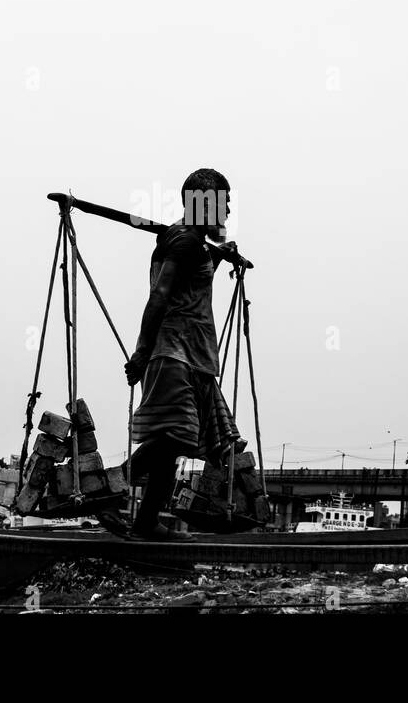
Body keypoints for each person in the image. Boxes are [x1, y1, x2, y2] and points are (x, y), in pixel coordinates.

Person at [104, 168, 243, 542]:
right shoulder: (183, 242)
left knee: (173, 444)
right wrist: (142, 351)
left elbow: (190, 278)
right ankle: (109, 487)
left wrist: (217, 256)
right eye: (224, 204)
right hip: (173, 353)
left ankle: (146, 521)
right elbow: (160, 296)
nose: (228, 212)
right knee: (177, 435)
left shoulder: (190, 242)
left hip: (190, 354)